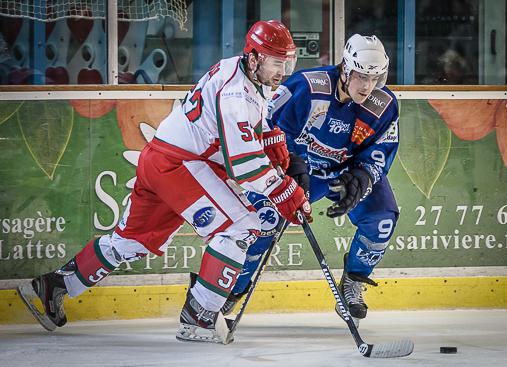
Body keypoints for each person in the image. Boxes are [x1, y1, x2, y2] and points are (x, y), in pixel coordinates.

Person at [17, 20, 312, 342]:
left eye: (288, 62)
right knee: (239, 227)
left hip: (161, 158)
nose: (283, 70)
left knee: (132, 241)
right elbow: (243, 163)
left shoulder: (237, 69)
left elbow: (245, 123)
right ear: (254, 57)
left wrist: (270, 138)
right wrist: (284, 192)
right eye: (276, 62)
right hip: (182, 165)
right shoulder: (236, 94)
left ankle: (54, 285)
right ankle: (199, 316)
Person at [224, 34, 400, 327]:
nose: (367, 86)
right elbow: (269, 125)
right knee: (262, 223)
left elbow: (380, 152)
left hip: (343, 174)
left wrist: (362, 177)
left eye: (375, 78)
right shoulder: (308, 87)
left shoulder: (384, 105)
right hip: (300, 171)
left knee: (382, 219)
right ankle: (235, 286)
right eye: (360, 76)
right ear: (345, 68)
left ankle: (353, 281)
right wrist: (290, 162)